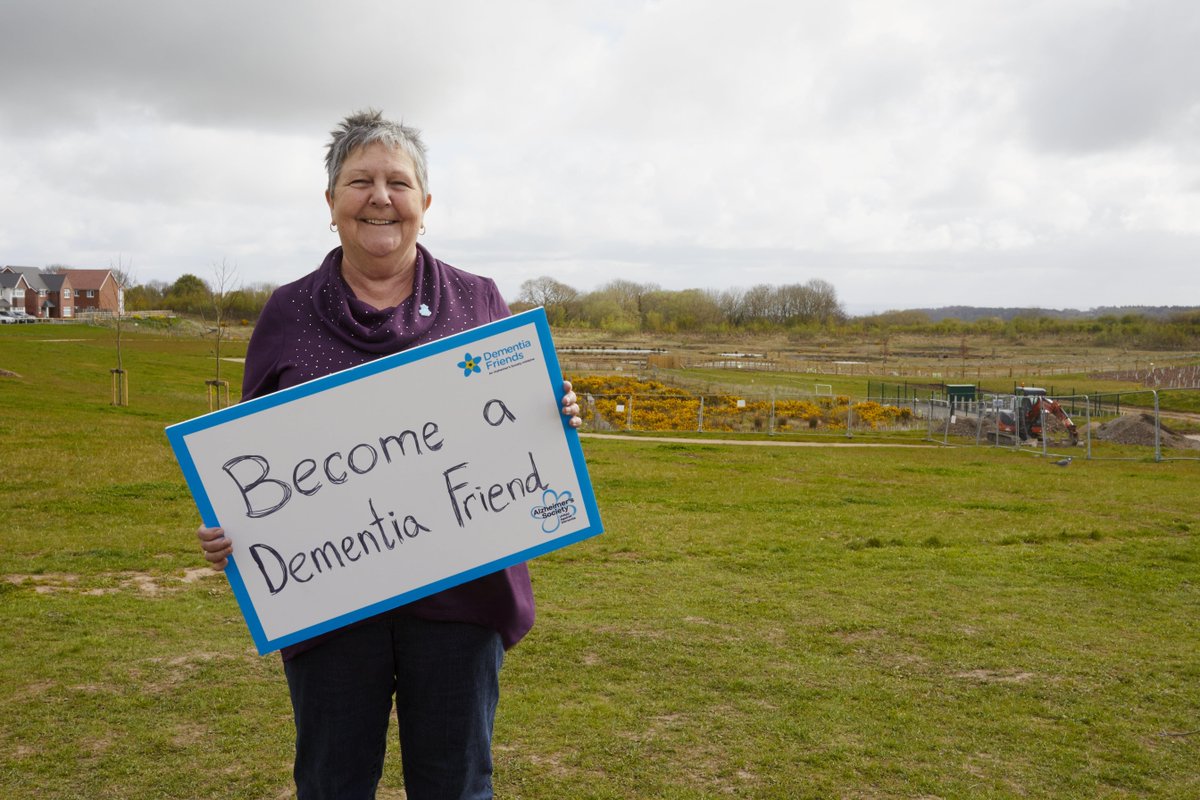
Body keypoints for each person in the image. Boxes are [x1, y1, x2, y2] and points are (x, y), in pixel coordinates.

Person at [196, 109, 582, 800]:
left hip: (462, 596)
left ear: (425, 205)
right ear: (331, 203)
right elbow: (246, 458)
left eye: (398, 183)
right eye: (360, 181)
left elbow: (516, 417)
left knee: (455, 785)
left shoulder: (479, 300)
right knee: (333, 783)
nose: (380, 197)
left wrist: (553, 415)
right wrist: (232, 527)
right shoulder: (288, 312)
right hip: (330, 602)